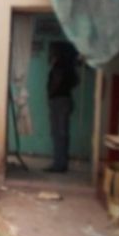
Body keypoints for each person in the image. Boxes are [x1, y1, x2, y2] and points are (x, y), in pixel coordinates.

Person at [45, 43, 80, 173]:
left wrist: (51, 94)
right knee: (62, 134)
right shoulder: (69, 66)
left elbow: (56, 82)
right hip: (65, 99)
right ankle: (61, 163)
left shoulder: (59, 66)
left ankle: (58, 165)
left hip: (58, 101)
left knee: (58, 134)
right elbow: (76, 82)